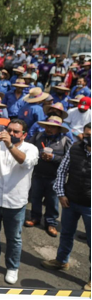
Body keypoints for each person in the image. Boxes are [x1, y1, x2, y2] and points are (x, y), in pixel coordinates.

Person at [0, 119, 39, 284]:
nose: (11, 134)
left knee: (14, 238)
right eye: (9, 130)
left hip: (15, 202)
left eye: (16, 132)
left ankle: (13, 267)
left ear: (24, 135)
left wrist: (10, 146)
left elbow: (25, 162)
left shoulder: (31, 149)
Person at [42, 123, 91, 291]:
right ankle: (62, 261)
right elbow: (62, 171)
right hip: (70, 201)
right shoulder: (75, 148)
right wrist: (61, 194)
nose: (87, 138)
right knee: (67, 234)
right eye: (85, 134)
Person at [25, 116, 71, 237]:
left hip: (54, 177)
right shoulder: (38, 136)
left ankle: (51, 223)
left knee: (52, 201)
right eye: (47, 126)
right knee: (35, 197)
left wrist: (54, 158)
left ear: (59, 129)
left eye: (53, 127)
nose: (49, 129)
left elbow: (69, 160)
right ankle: (35, 217)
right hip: (37, 174)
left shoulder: (65, 140)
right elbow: (28, 149)